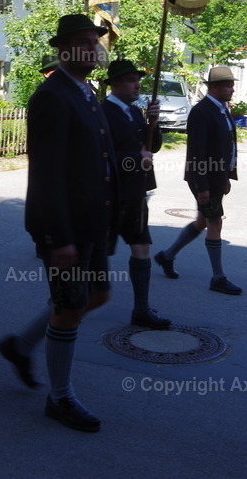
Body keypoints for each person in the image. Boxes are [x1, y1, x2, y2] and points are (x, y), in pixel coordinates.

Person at [0, 14, 115, 433]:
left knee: (96, 296)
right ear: (64, 49)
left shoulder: (86, 92)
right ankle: (60, 398)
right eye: (84, 41)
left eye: (95, 41)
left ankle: (21, 345)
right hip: (65, 228)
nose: (93, 48)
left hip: (92, 223)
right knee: (70, 307)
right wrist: (57, 238)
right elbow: (46, 174)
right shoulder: (51, 96)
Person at [154, 66, 242, 295]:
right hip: (205, 178)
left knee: (203, 221)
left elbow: (226, 146)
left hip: (216, 177)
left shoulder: (221, 109)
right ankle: (218, 278)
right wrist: (202, 187)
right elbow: (197, 152)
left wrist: (227, 176)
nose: (231, 89)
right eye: (227, 85)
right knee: (215, 222)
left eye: (232, 84)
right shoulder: (202, 112)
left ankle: (167, 256)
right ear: (213, 87)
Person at [101, 59, 171, 329]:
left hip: (136, 194)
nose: (137, 84)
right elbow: (100, 156)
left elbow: (152, 147)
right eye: (131, 80)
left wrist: (154, 121)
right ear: (115, 84)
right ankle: (66, 304)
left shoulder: (133, 112)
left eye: (137, 79)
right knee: (95, 254)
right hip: (110, 196)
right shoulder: (103, 112)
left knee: (142, 248)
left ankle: (141, 310)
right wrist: (134, 159)